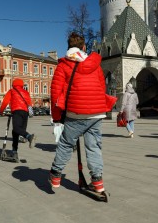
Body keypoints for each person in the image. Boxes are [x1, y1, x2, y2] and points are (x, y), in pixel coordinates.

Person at [48, 32, 117, 192]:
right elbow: (102, 87)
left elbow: (55, 93)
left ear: (68, 47)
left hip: (75, 112)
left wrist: (57, 116)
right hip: (97, 113)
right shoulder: (95, 64)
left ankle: (56, 175)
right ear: (84, 47)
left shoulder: (63, 65)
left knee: (66, 143)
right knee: (94, 147)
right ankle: (97, 182)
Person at [0, 78, 36, 162]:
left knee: (16, 129)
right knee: (17, 132)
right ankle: (14, 152)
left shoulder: (12, 91)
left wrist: (1, 111)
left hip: (17, 111)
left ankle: (29, 137)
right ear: (22, 85)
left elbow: (5, 101)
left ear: (13, 84)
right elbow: (30, 103)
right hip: (25, 113)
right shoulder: (26, 92)